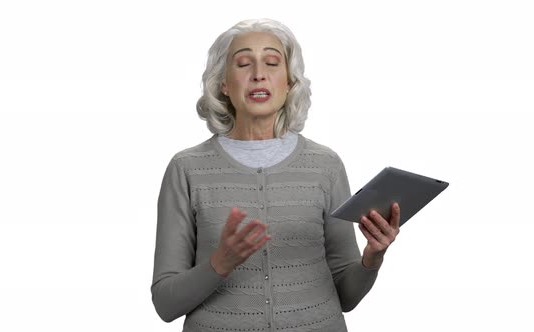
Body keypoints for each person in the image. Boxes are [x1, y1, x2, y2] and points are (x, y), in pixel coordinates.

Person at [151, 18, 400, 332]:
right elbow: (165, 303)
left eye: (272, 62)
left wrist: (372, 259)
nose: (258, 74)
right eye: (243, 64)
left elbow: (346, 297)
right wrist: (220, 263)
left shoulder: (325, 165)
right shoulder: (186, 169)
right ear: (223, 84)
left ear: (289, 83)